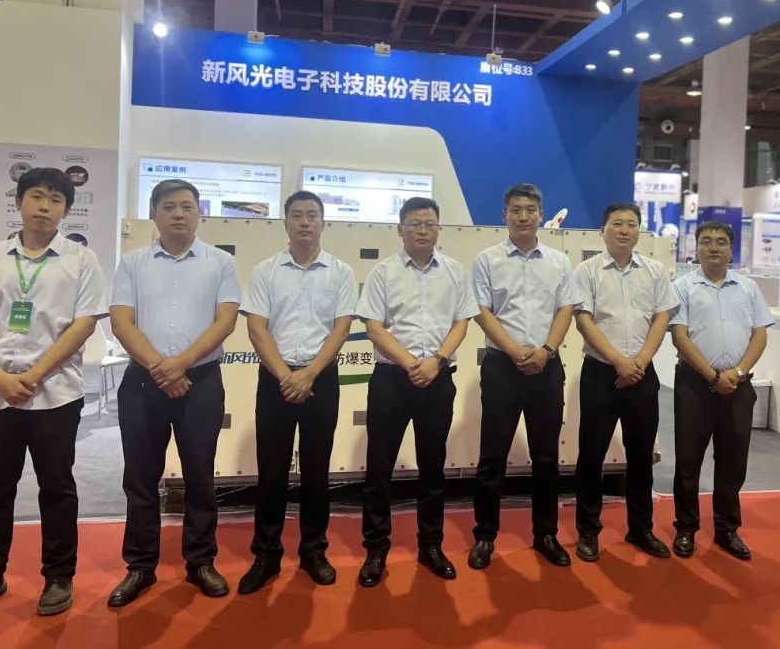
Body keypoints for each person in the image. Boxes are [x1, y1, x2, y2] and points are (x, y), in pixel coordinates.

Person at [0, 168, 108, 620]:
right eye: (37, 196)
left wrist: (37, 372)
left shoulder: (81, 261)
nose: (45, 206)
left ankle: (59, 577)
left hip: (55, 395)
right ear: (19, 202)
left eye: (56, 200)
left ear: (66, 209)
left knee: (57, 488)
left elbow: (85, 323)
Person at [107, 179, 240, 607]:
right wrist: (161, 368)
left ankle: (200, 561)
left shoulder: (221, 262)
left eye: (187, 206)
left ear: (200, 212)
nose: (179, 214)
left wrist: (180, 364)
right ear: (154, 214)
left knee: (200, 474)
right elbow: (121, 322)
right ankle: (140, 565)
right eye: (169, 207)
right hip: (143, 383)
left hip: (200, 383)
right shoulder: (132, 263)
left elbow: (225, 321)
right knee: (140, 477)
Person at [355, 197, 477, 587]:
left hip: (437, 378)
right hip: (392, 380)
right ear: (400, 229)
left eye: (429, 224)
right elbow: (374, 327)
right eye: (414, 224)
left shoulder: (455, 271)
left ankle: (431, 545)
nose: (422, 231)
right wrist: (412, 363)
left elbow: (461, 323)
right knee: (379, 469)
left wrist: (436, 361)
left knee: (433, 467)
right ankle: (376, 550)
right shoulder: (383, 272)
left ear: (439, 229)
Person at [236, 191, 355, 594]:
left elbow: (341, 328)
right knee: (271, 472)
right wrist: (287, 375)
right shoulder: (266, 271)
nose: (305, 222)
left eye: (312, 216)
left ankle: (313, 551)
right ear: (285, 223)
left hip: (321, 379)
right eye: (297, 216)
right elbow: (257, 328)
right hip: (276, 378)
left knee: (317, 472)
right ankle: (266, 555)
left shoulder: (340, 272)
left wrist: (309, 374)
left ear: (323, 223)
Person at [468, 183, 580, 570]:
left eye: (530, 210)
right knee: (492, 456)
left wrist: (546, 350)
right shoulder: (486, 260)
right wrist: (515, 351)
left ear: (540, 215)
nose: (523, 216)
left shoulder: (559, 262)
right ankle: (484, 535)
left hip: (547, 366)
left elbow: (566, 310)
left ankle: (545, 533)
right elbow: (482, 311)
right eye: (515, 210)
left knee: (546, 457)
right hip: (502, 366)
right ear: (504, 216)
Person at [571, 202, 677, 563]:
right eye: (616, 223)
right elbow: (583, 320)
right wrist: (619, 362)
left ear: (638, 231)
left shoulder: (654, 270)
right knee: (591, 455)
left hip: (642, 374)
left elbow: (662, 317)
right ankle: (588, 531)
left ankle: (641, 528)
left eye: (631, 224)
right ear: (603, 229)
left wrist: (640, 362)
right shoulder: (587, 271)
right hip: (601, 373)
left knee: (641, 456)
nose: (624, 230)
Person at [670, 221, 773, 561]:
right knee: (688, 460)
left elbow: (760, 334)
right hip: (694, 385)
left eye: (721, 242)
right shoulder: (682, 287)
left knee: (733, 461)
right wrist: (712, 376)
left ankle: (727, 528)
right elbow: (680, 336)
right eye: (706, 241)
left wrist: (737, 372)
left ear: (731, 250)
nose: (713, 247)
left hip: (738, 387)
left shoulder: (748, 288)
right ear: (696, 248)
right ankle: (686, 528)